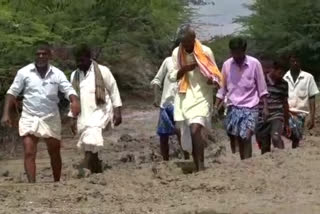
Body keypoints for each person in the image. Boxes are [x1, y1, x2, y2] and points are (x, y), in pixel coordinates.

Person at [1, 43, 80, 183]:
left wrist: (74, 101)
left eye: (44, 53)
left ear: (49, 55)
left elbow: (68, 90)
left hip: (50, 117)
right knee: (29, 151)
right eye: (38, 54)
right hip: (29, 116)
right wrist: (6, 114)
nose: (41, 56)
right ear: (35, 55)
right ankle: (32, 185)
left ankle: (56, 182)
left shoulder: (57, 73)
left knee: (54, 152)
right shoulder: (24, 72)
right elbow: (11, 93)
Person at [169, 26, 223, 171]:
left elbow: (214, 73)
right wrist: (185, 69)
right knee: (186, 132)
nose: (185, 46)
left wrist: (213, 81)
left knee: (195, 129)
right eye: (183, 43)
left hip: (202, 95)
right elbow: (172, 76)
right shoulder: (177, 52)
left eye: (187, 43)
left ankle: (200, 166)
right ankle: (196, 162)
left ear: (194, 39)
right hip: (185, 95)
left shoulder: (205, 51)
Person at [70, 44, 122, 173]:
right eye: (77, 60)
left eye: (82, 60)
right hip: (84, 113)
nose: (79, 63)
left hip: (101, 110)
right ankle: (96, 166)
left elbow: (113, 90)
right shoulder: (74, 76)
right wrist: (72, 117)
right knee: (88, 140)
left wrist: (117, 111)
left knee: (93, 133)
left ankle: (85, 166)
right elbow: (72, 99)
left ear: (89, 58)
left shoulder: (103, 71)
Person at [215, 37, 269, 160]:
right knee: (239, 137)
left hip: (251, 106)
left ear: (244, 50)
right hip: (233, 107)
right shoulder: (227, 65)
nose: (236, 55)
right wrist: (215, 106)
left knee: (246, 135)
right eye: (233, 52)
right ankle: (244, 161)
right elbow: (222, 88)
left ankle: (247, 163)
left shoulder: (254, 64)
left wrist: (265, 107)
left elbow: (262, 87)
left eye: (238, 52)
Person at [151, 41, 190, 161]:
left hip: (182, 103)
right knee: (163, 135)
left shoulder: (190, 63)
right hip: (166, 103)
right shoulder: (168, 61)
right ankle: (165, 161)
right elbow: (157, 80)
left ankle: (186, 158)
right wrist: (156, 97)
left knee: (181, 131)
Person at [283, 54, 319, 148]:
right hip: (287, 113)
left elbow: (312, 97)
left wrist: (312, 117)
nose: (295, 63)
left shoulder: (308, 77)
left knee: (296, 138)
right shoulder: (284, 77)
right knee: (287, 134)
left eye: (297, 61)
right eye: (292, 61)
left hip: (301, 114)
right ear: (289, 63)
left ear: (300, 62)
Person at [256, 59, 290, 154]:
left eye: (283, 73)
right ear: (274, 69)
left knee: (276, 137)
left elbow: (285, 103)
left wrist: (286, 122)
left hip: (277, 114)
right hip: (262, 116)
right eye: (280, 72)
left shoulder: (284, 84)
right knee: (265, 145)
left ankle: (283, 158)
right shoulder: (261, 81)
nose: (282, 75)